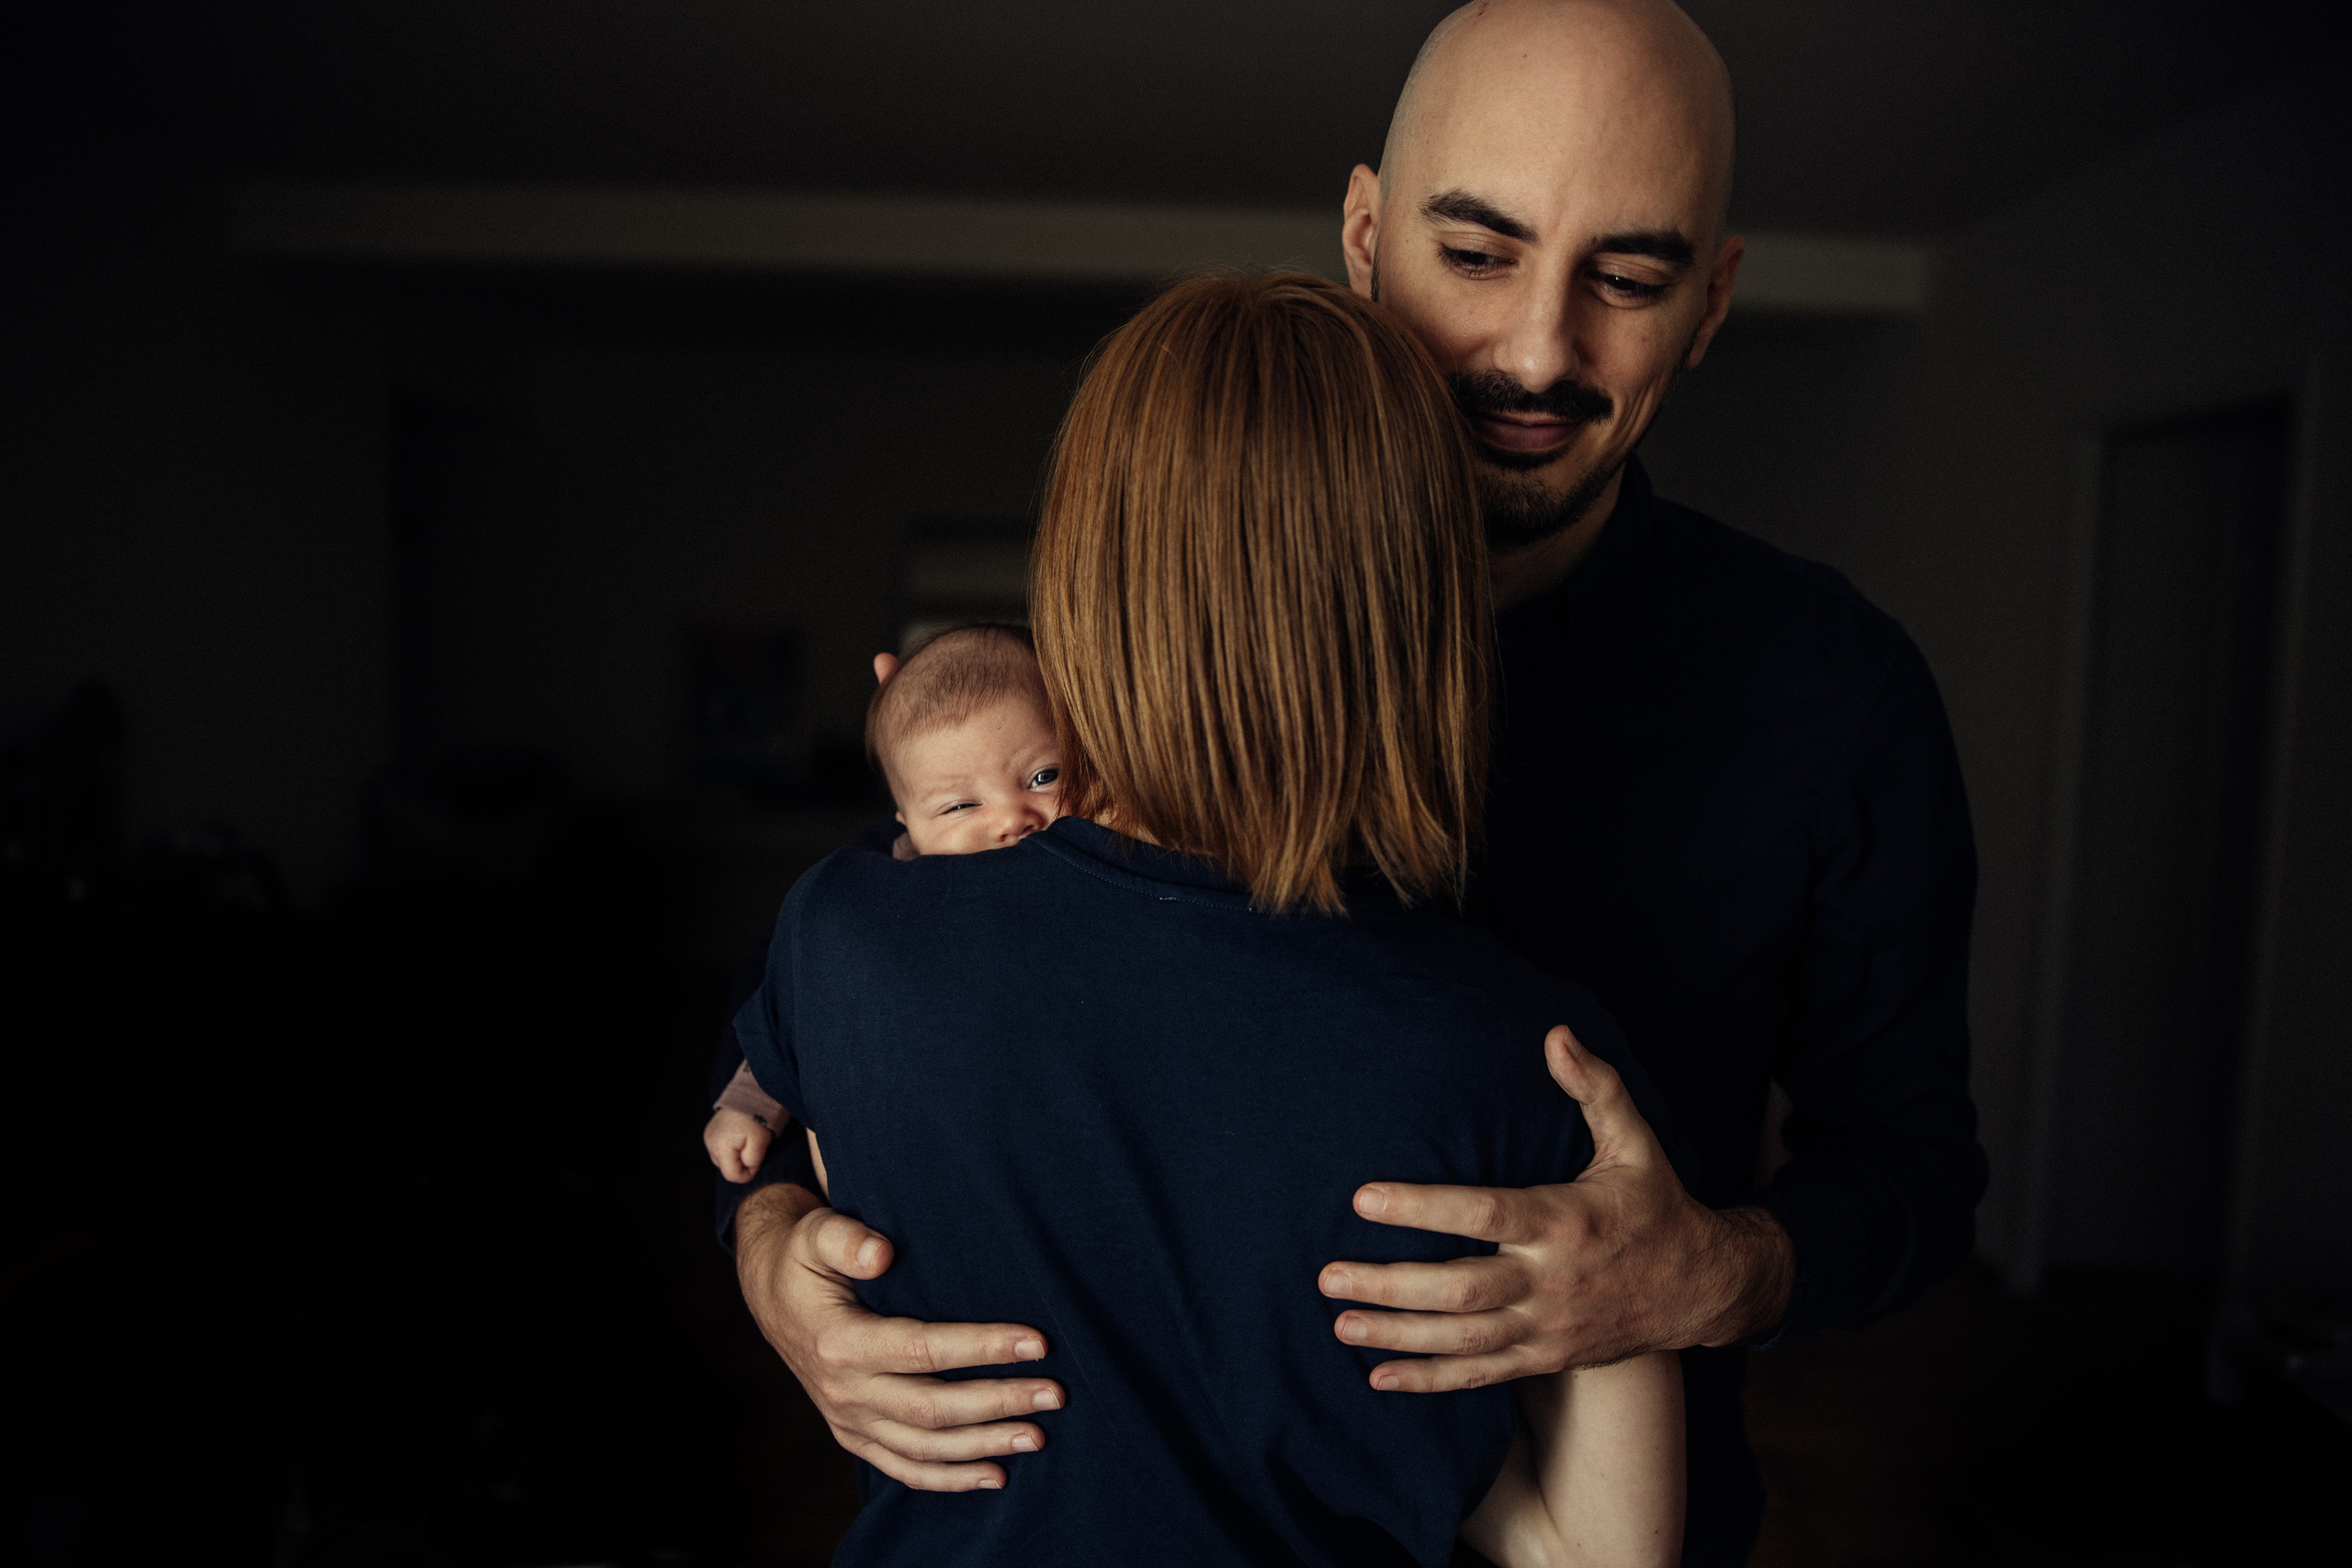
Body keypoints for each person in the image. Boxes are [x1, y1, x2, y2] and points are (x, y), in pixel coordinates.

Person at [721, 3, 1986, 1562]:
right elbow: (929, 939)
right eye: (1480, 253)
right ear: (1367, 234)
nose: (1537, 348)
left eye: (1631, 278)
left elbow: (1917, 1165)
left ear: (1712, 301)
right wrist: (770, 1232)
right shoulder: (1115, 653)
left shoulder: (1835, 694)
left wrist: (1714, 1272)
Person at [735, 270, 1686, 1567]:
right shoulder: (1527, 1052)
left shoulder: (850, 931)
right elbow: (1594, 1553)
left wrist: (761, 1227)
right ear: (1419, 615)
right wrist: (1653, 1279)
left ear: (1078, 570)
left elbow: (805, 1173)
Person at [704, 625, 1065, 1183]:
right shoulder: (883, 892)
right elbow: (802, 1001)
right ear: (906, 821)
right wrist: (751, 1101)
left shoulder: (1091, 863)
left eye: (1044, 776)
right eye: (960, 805)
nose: (1012, 819)